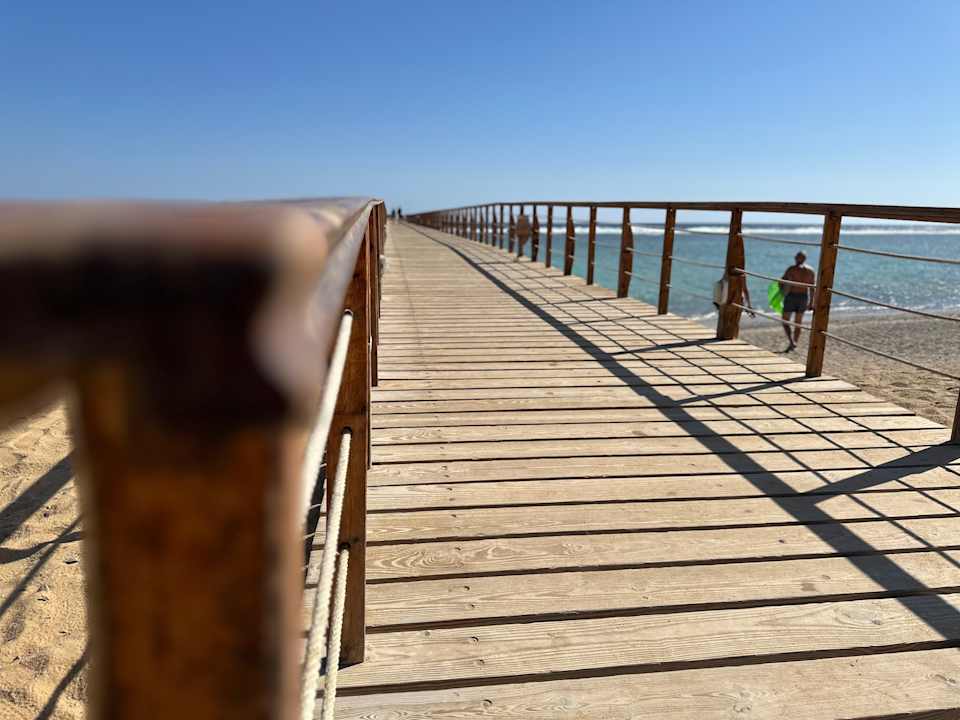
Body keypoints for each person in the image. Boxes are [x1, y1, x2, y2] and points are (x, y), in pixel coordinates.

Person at [780, 251, 816, 352]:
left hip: (791, 296)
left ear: (797, 258)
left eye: (796, 257)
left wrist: (781, 291)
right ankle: (794, 342)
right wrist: (811, 302)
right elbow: (812, 288)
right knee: (798, 322)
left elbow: (782, 282)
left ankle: (792, 342)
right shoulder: (810, 271)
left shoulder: (791, 269)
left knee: (785, 320)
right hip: (803, 297)